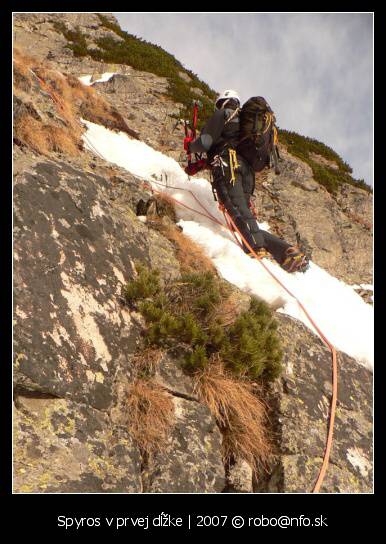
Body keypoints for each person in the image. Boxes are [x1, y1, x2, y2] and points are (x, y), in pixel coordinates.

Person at [184, 89, 309, 273]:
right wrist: (203, 164)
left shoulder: (224, 113)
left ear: (223, 102)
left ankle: (256, 250)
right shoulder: (242, 123)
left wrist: (190, 145)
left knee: (238, 211)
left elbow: (205, 142)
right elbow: (225, 146)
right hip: (247, 172)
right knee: (244, 217)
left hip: (228, 165)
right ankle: (286, 251)